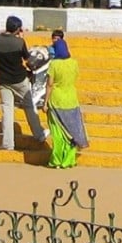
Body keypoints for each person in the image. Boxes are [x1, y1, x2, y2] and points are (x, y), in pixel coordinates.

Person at [0, 16, 48, 151]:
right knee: (29, 106)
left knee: (7, 111)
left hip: (2, 80)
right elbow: (28, 60)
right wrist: (19, 37)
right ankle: (39, 134)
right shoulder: (19, 42)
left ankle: (7, 143)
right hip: (19, 79)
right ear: (18, 29)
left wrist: (11, 33)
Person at [44, 30, 89, 169]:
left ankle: (56, 160)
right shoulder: (74, 63)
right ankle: (69, 160)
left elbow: (49, 84)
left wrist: (45, 103)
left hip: (56, 101)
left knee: (58, 133)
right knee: (71, 132)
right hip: (72, 100)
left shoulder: (54, 65)